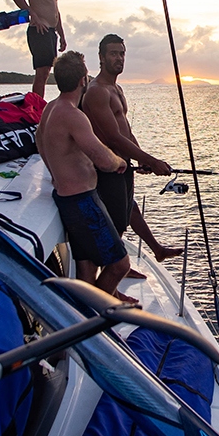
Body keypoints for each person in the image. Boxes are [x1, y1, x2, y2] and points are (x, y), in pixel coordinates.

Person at [35, 50, 133, 300]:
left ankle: (84, 315)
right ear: (83, 80)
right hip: (84, 203)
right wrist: (120, 162)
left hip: (66, 198)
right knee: (121, 265)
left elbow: (39, 142)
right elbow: (103, 158)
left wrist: (56, 169)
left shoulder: (49, 109)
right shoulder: (73, 115)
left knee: (86, 264)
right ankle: (90, 318)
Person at [81, 33, 185, 270]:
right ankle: (111, 281)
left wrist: (141, 158)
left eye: (122, 53)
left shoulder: (116, 88)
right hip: (108, 168)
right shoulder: (97, 90)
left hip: (123, 163)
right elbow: (112, 138)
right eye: (113, 54)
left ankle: (154, 251)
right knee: (115, 224)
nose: (119, 58)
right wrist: (152, 160)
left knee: (128, 208)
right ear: (101, 57)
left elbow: (126, 132)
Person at [10, 0, 66, 100]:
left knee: (47, 71)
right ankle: (36, 108)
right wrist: (32, 15)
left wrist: (61, 34)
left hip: (51, 31)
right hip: (39, 29)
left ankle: (39, 104)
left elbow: (55, 9)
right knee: (42, 72)